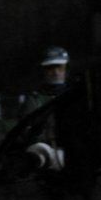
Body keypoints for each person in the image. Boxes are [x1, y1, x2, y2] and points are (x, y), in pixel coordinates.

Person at [16, 45, 69, 173]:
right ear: (43, 71)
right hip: (45, 150)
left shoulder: (77, 95)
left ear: (66, 69)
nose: (56, 72)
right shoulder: (34, 99)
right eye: (50, 68)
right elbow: (26, 131)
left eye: (60, 67)